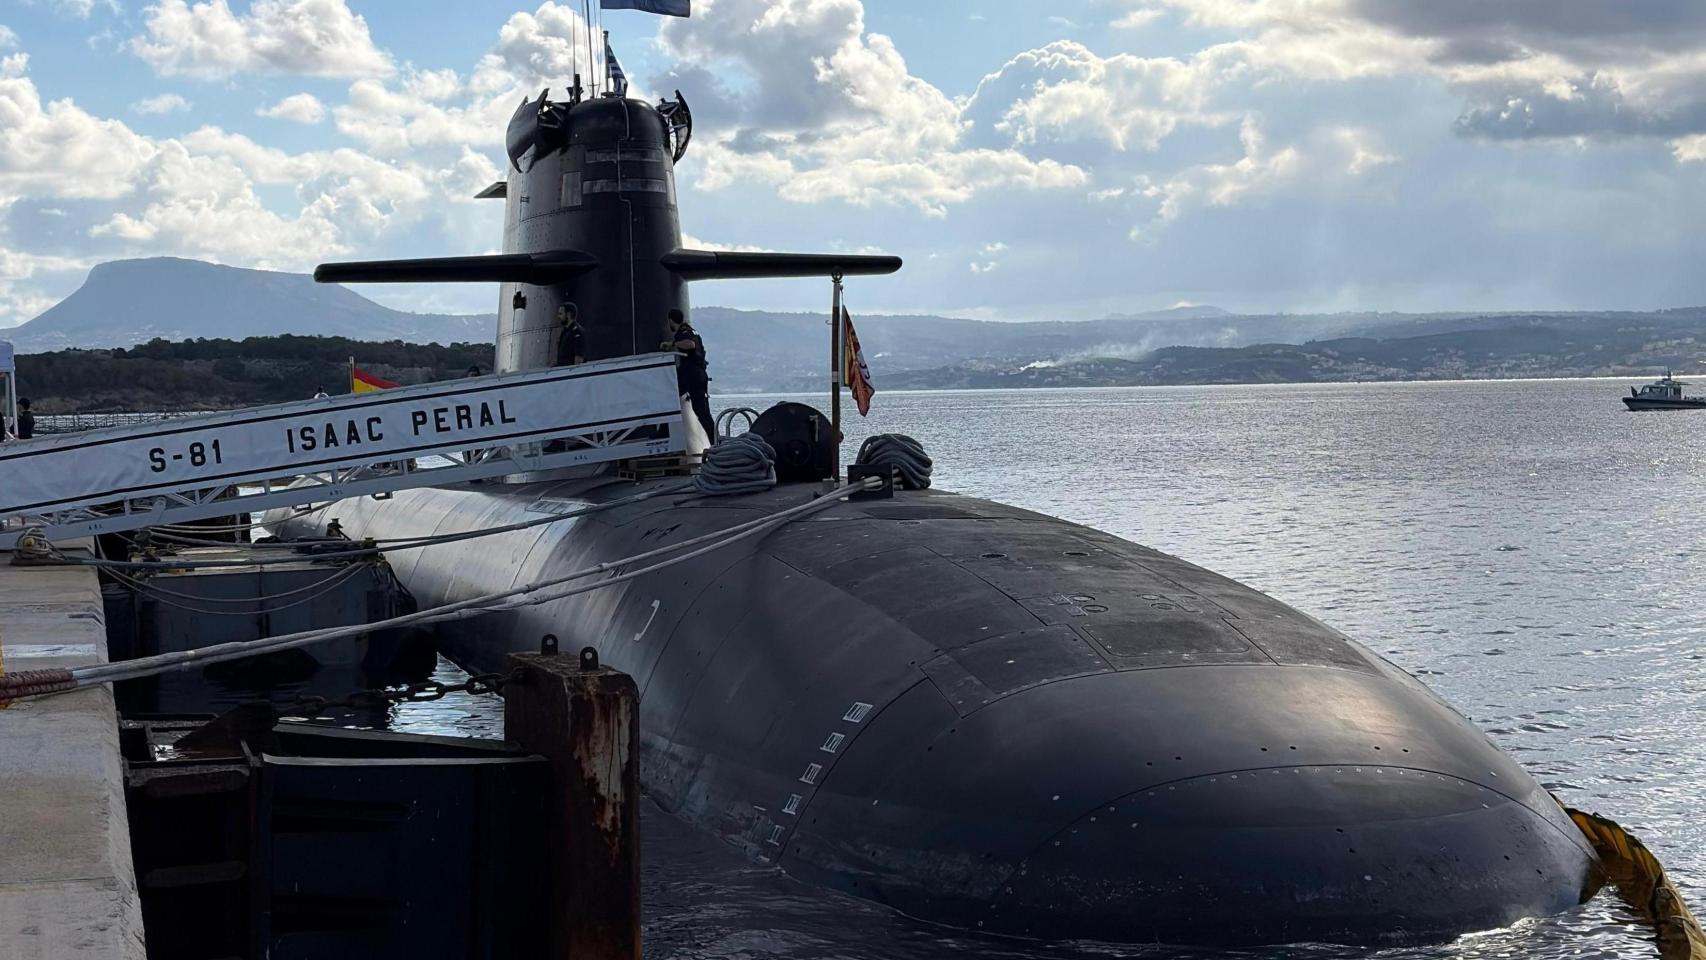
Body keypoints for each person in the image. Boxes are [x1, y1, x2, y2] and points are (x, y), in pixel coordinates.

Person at [661, 308, 714, 441]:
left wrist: (672, 344)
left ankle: (714, 441)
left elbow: (690, 345)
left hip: (692, 375)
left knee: (700, 410)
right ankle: (663, 430)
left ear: (671, 321)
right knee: (671, 398)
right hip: (693, 374)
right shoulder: (691, 330)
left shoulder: (685, 332)